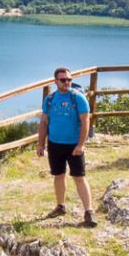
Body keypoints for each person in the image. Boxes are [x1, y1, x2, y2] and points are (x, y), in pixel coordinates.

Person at [39, 66, 96, 227]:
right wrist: (40, 144)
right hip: (54, 144)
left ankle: (89, 212)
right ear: (55, 81)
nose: (67, 82)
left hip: (73, 145)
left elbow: (85, 122)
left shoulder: (78, 98)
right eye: (63, 80)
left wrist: (80, 145)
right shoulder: (50, 99)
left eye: (69, 79)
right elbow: (44, 122)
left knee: (79, 177)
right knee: (58, 175)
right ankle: (60, 206)